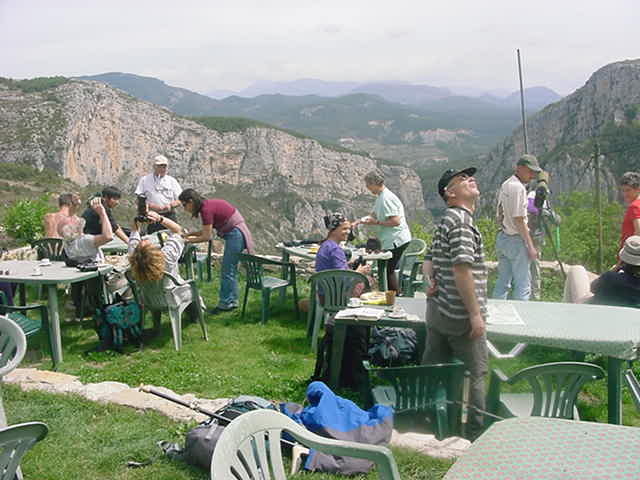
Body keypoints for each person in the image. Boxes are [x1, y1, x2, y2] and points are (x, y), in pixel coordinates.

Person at [423, 167, 488, 440]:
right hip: (460, 316)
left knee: (432, 369)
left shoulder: (446, 220)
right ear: (449, 193)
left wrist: (429, 278)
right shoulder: (461, 222)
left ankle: (426, 420)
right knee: (478, 374)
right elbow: (463, 270)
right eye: (462, 180)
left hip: (439, 312)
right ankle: (475, 435)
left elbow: (429, 258)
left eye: (470, 177)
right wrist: (475, 314)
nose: (470, 180)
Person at [313, 212, 371, 388]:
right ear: (334, 229)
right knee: (368, 287)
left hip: (326, 293)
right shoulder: (336, 249)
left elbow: (338, 272)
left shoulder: (325, 246)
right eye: (344, 228)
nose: (348, 232)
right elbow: (344, 278)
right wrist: (359, 272)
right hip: (337, 296)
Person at [179, 188, 254, 314]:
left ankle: (225, 304)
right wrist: (190, 234)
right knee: (231, 269)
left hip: (235, 233)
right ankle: (232, 301)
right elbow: (205, 230)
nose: (184, 208)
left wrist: (186, 241)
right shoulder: (206, 205)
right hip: (237, 231)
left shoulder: (205, 210)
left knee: (227, 269)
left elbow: (207, 237)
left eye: (184, 205)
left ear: (191, 201)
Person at [492, 154, 541, 301]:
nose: (532, 175)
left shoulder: (506, 184)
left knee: (503, 282)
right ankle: (522, 318)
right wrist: (530, 246)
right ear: (519, 168)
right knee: (523, 284)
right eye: (529, 171)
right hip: (516, 240)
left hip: (502, 237)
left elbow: (500, 213)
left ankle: (497, 313)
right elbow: (519, 219)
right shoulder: (518, 188)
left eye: (533, 172)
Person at [355, 170, 411, 293]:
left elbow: (396, 221)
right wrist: (359, 221)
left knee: (387, 269)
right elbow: (373, 214)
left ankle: (395, 297)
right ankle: (390, 295)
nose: (367, 188)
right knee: (385, 268)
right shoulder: (381, 197)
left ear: (374, 183)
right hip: (392, 239)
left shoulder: (386, 198)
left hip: (396, 239)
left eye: (368, 184)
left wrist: (376, 223)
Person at [59, 198, 114, 320]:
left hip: (81, 277)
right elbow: (109, 236)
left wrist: (74, 205)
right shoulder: (86, 241)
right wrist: (102, 213)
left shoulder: (67, 244)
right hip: (97, 276)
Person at [563, 235, 640, 307]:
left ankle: (566, 313)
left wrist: (614, 270)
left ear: (623, 261)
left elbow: (592, 288)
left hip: (593, 314)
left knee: (576, 269)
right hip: (629, 317)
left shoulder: (610, 278)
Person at [527, 179, 561, 300]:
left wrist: (551, 215)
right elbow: (531, 208)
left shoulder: (545, 200)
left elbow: (556, 221)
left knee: (534, 269)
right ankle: (533, 296)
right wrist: (544, 212)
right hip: (531, 237)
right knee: (533, 269)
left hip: (537, 237)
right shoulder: (532, 194)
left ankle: (533, 295)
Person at [134, 155, 183, 234]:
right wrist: (151, 206)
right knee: (153, 239)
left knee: (173, 236)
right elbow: (138, 199)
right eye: (160, 166)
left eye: (164, 166)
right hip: (152, 216)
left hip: (169, 216)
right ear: (154, 166)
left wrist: (170, 205)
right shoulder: (145, 180)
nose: (163, 168)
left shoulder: (172, 181)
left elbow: (181, 199)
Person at [618, 172, 640, 253]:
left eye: (628, 190)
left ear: (638, 189)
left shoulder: (634, 206)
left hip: (631, 256)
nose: (625, 194)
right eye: (623, 191)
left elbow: (639, 232)